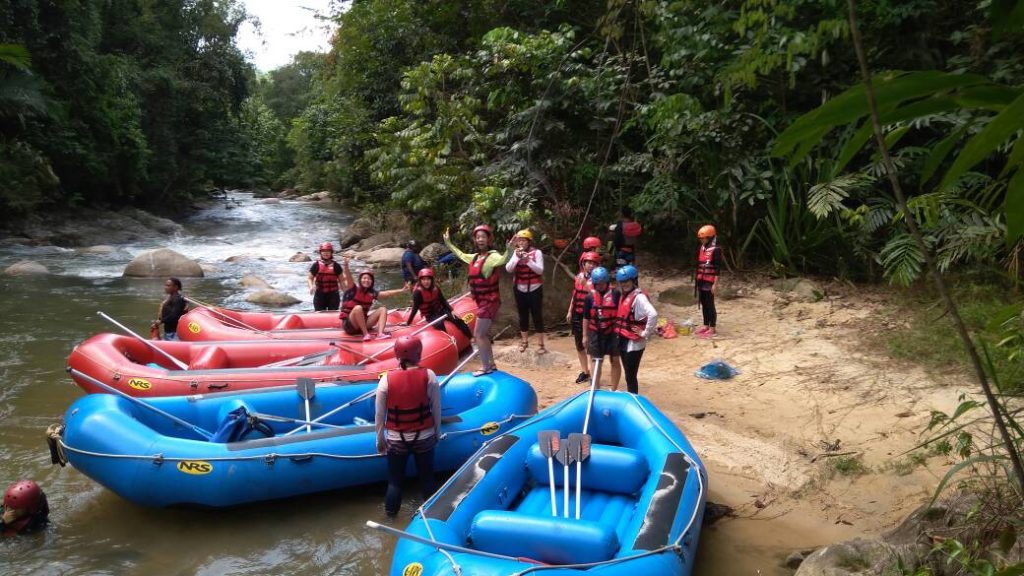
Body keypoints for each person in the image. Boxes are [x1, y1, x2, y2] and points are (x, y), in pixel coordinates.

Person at [374, 336, 441, 517]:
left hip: (396, 440)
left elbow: (380, 415)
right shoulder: (429, 375)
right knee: (427, 479)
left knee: (395, 482)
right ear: (418, 354)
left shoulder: (386, 380)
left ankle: (390, 518)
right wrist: (437, 433)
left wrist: (379, 440)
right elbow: (436, 409)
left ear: (397, 355)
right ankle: (432, 518)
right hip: (424, 437)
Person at [443, 224, 512, 377]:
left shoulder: (492, 256)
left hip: (490, 301)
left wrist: (510, 249)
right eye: (478, 237)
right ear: (475, 239)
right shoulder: (474, 257)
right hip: (482, 302)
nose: (481, 239)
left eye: (484, 237)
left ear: (489, 239)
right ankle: (491, 365)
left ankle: (486, 367)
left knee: (478, 335)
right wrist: (448, 243)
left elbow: (503, 260)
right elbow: (460, 254)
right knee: (484, 335)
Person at [338, 258, 407, 341]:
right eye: (364, 278)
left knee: (382, 309)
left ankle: (380, 334)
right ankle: (366, 334)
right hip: (350, 325)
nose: (367, 280)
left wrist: (401, 290)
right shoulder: (354, 289)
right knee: (358, 308)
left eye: (369, 279)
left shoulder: (372, 293)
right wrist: (346, 266)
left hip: (362, 323)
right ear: (360, 280)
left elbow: (387, 293)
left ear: (372, 281)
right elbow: (349, 278)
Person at [613, 265, 657, 394]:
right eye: (622, 282)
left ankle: (634, 399)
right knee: (628, 374)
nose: (624, 284)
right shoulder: (624, 295)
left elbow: (653, 314)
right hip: (624, 339)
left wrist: (645, 333)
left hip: (634, 343)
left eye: (627, 281)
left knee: (630, 376)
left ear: (633, 280)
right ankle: (632, 396)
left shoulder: (639, 297)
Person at [505, 229, 546, 354]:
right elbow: (508, 269)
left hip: (535, 289)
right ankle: (524, 342)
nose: (521, 242)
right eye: (519, 240)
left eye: (523, 240)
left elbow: (539, 270)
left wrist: (528, 260)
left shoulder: (537, 253)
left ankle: (541, 344)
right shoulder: (516, 253)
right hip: (519, 289)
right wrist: (517, 257)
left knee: (537, 315)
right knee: (523, 316)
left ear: (528, 241)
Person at [581, 267, 622, 390]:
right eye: (597, 284)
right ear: (594, 284)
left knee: (615, 359)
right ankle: (595, 388)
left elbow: (621, 312)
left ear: (607, 282)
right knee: (596, 361)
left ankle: (614, 389)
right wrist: (585, 335)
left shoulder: (615, 294)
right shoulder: (589, 297)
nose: (600, 286)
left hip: (613, 332)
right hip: (595, 332)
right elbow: (586, 317)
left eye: (602, 283)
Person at [406, 268, 473, 340]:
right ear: (420, 280)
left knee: (457, 318)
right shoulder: (418, 293)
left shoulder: (436, 288)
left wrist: (452, 310)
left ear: (431, 280)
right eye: (423, 280)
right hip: (430, 315)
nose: (426, 282)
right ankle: (448, 340)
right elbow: (415, 309)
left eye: (428, 279)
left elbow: (443, 300)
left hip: (441, 310)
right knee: (439, 323)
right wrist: (408, 323)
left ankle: (471, 338)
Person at [566, 251, 601, 384]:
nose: (591, 265)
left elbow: (597, 297)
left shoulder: (599, 279)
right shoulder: (579, 277)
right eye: (588, 263)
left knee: (591, 347)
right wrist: (570, 311)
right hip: (577, 314)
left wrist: (586, 285)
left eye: (593, 263)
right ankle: (585, 372)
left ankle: (593, 375)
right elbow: (575, 295)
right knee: (579, 345)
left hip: (590, 316)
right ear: (583, 264)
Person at [694, 224, 722, 339]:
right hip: (701, 280)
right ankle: (706, 325)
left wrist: (715, 284)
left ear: (710, 237)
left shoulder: (716, 250)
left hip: (710, 281)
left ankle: (712, 327)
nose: (702, 240)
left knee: (710, 304)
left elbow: (717, 269)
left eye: (703, 238)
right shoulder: (703, 248)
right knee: (704, 303)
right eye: (700, 238)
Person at [308, 242, 343, 311]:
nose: (326, 253)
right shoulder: (316, 265)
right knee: (319, 314)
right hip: (319, 294)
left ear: (331, 253)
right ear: (321, 253)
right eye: (324, 251)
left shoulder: (336, 266)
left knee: (332, 313)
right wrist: (311, 287)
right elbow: (310, 278)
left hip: (333, 295)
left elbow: (342, 280)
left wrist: (345, 291)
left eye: (328, 251)